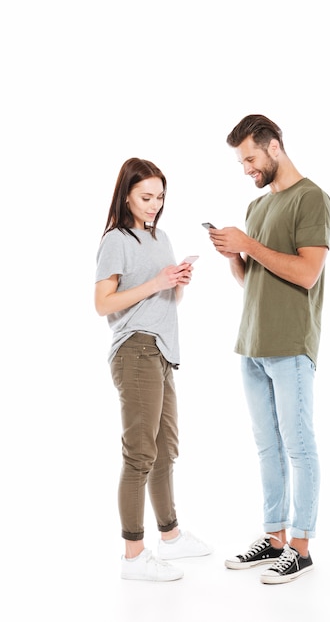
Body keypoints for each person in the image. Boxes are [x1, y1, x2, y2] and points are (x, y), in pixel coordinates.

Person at [207, 115, 330, 584]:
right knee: (267, 447)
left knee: (299, 446)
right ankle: (275, 537)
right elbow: (250, 281)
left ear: (274, 147)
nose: (246, 169)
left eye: (251, 158)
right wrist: (235, 256)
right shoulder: (257, 207)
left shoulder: (312, 198)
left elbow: (307, 273)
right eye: (242, 161)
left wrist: (249, 245)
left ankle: (301, 546)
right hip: (252, 344)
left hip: (291, 343)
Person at [95, 157, 212, 582]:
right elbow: (103, 303)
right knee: (141, 453)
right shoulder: (116, 239)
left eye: (160, 197)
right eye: (146, 196)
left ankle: (172, 536)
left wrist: (176, 284)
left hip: (163, 351)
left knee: (167, 450)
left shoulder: (161, 237)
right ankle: (132, 556)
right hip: (135, 351)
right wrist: (156, 283)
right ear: (126, 194)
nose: (154, 204)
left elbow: (164, 302)